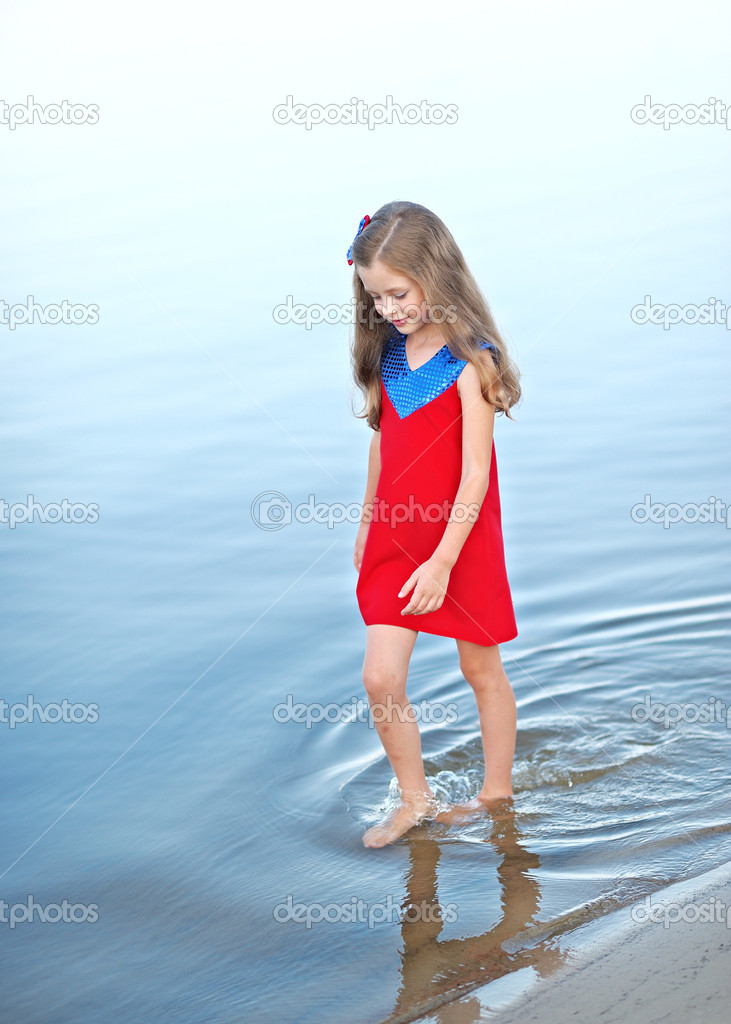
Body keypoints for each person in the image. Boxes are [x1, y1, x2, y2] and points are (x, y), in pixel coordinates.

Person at [348, 201, 522, 848]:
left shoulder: (470, 361)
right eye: (376, 297)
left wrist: (444, 559)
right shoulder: (386, 356)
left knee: (481, 671)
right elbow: (381, 442)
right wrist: (366, 526)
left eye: (398, 292)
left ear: (434, 274)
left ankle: (495, 794)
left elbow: (475, 473)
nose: (389, 308)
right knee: (379, 676)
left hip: (458, 541)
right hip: (395, 539)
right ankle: (414, 801)